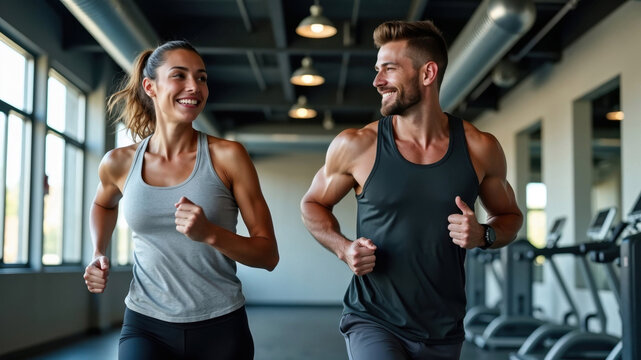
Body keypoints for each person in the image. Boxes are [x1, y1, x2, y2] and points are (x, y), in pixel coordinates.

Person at [301, 20, 523, 360]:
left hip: (444, 328)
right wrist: (344, 249)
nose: (377, 81)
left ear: (427, 73)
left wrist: (484, 235)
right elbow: (313, 204)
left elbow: (509, 216)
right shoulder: (358, 145)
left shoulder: (480, 148)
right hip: (373, 319)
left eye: (389, 69)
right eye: (377, 70)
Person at [82, 40, 279, 360]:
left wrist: (210, 233)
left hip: (221, 326)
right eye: (180, 75)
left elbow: (267, 254)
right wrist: (98, 251)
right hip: (145, 324)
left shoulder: (228, 157)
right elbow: (104, 204)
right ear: (151, 86)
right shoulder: (118, 162)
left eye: (201, 78)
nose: (194, 86)